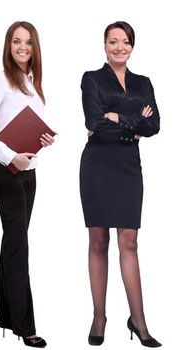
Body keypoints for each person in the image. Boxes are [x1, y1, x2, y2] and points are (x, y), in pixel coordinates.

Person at [0, 21, 54, 348]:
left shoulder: (34, 83)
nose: (22, 47)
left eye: (28, 43)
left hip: (29, 173)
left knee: (13, 242)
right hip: (6, 174)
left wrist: (43, 140)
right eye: (17, 42)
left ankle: (8, 317)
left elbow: (26, 126)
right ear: (8, 45)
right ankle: (25, 326)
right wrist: (10, 156)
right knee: (19, 245)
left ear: (35, 48)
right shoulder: (1, 79)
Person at [80, 21, 161, 348]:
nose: (118, 47)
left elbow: (154, 125)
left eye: (124, 42)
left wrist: (118, 118)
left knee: (129, 242)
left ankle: (138, 320)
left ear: (132, 46)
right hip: (97, 165)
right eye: (112, 41)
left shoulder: (144, 83)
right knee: (98, 241)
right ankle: (99, 318)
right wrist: (132, 122)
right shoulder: (92, 79)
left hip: (128, 166)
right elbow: (93, 123)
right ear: (104, 45)